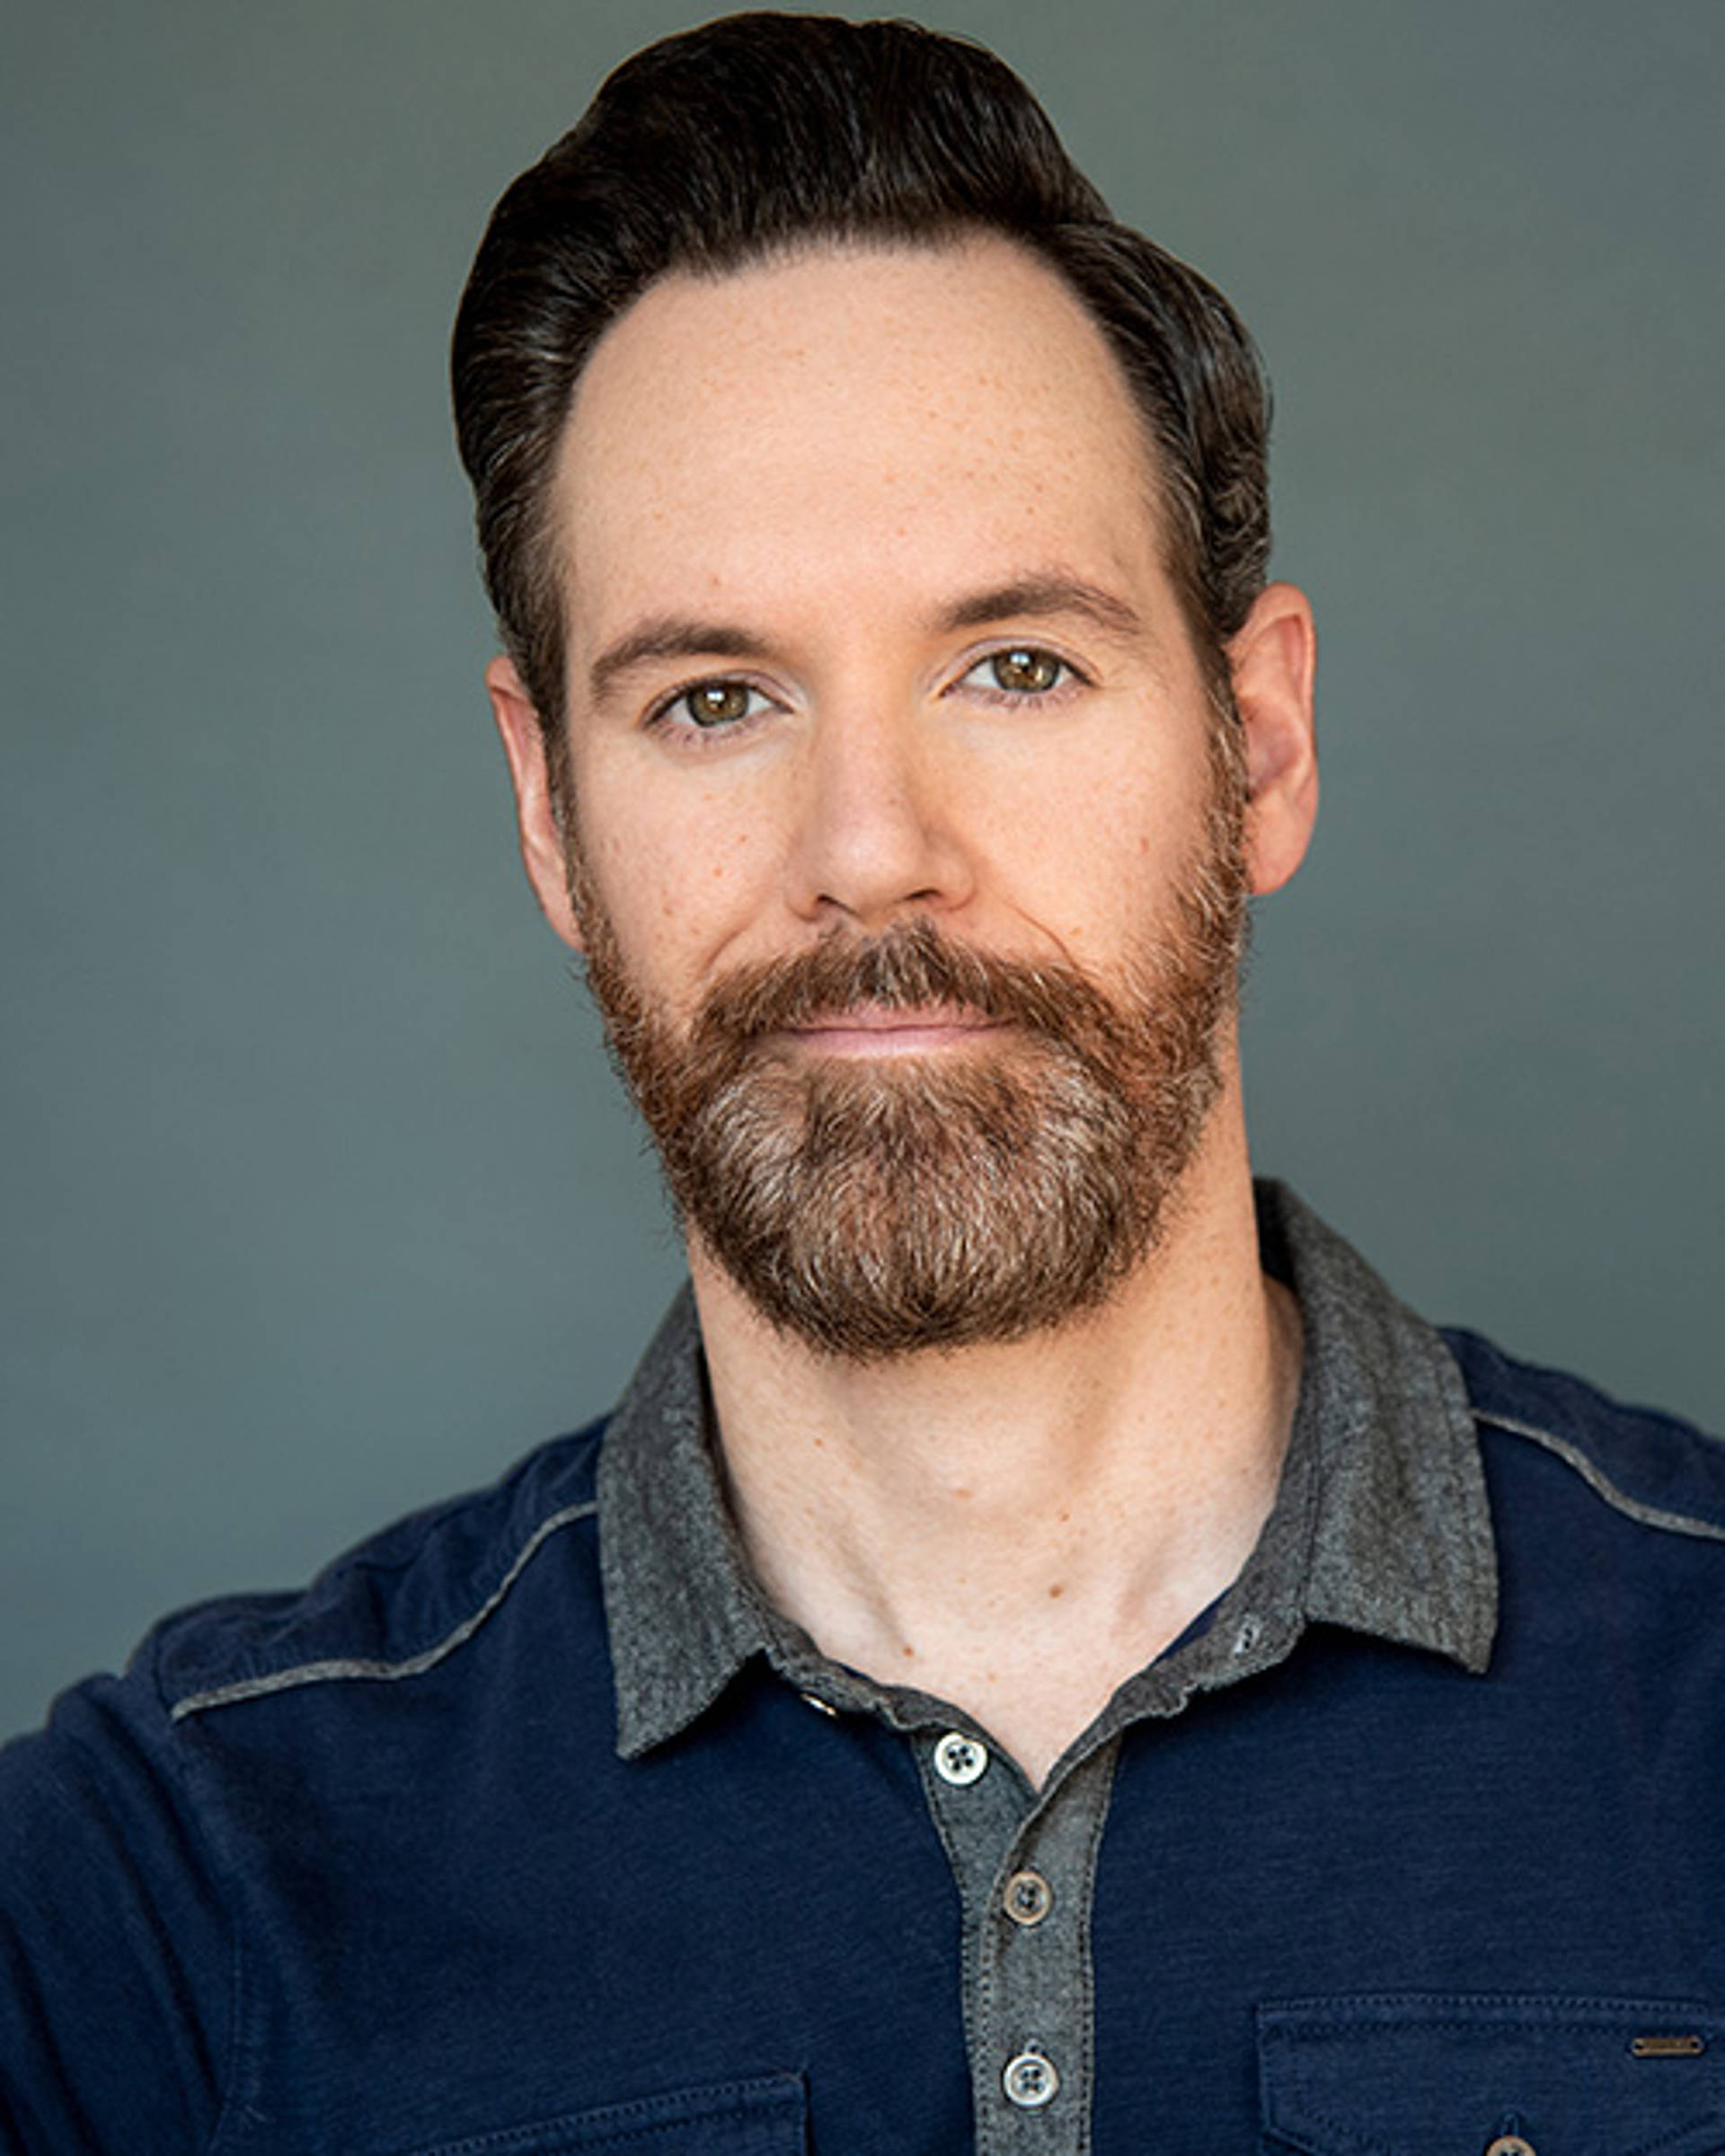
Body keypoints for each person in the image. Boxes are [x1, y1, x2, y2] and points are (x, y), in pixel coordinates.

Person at [4, 13, 1723, 2152]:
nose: (866, 846)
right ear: (549, 810)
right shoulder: (160, 1908)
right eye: (717, 698)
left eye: (1016, 666)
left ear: (1256, 743)